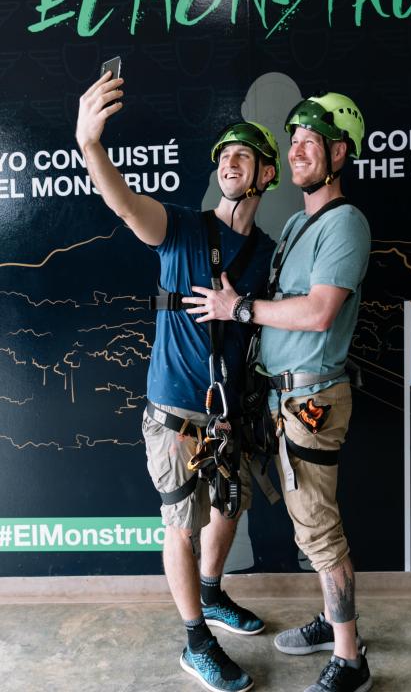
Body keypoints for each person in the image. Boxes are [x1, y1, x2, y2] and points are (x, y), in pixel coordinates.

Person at [75, 70, 280, 692]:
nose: (233, 163)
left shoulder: (269, 252)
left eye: (246, 155)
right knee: (181, 525)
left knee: (229, 509)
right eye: (225, 155)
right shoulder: (183, 230)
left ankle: (212, 596)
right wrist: (90, 146)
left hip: (230, 414)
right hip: (174, 414)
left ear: (267, 175)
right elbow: (123, 203)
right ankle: (195, 640)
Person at [185, 91, 372, 692]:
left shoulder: (346, 223)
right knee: (306, 523)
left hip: (313, 400)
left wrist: (236, 307)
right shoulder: (296, 224)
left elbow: (318, 313)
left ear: (339, 153)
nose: (297, 152)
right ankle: (330, 619)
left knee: (318, 528)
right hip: (278, 399)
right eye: (292, 143)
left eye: (310, 143)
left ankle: (351, 658)